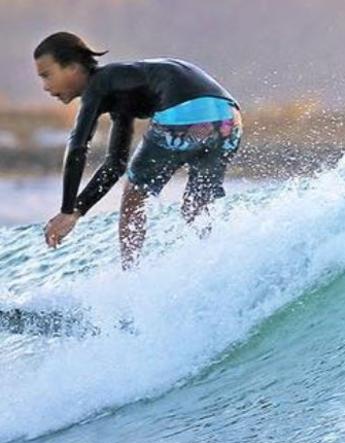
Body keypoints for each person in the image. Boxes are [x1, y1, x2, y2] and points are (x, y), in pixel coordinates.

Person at [34, 31, 242, 269]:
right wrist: (78, 210)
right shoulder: (122, 87)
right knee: (195, 207)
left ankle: (130, 275)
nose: (45, 86)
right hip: (229, 119)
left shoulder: (98, 84)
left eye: (47, 75)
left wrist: (67, 210)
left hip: (183, 114)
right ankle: (217, 266)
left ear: (72, 67)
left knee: (134, 196)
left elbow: (77, 147)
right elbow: (115, 165)